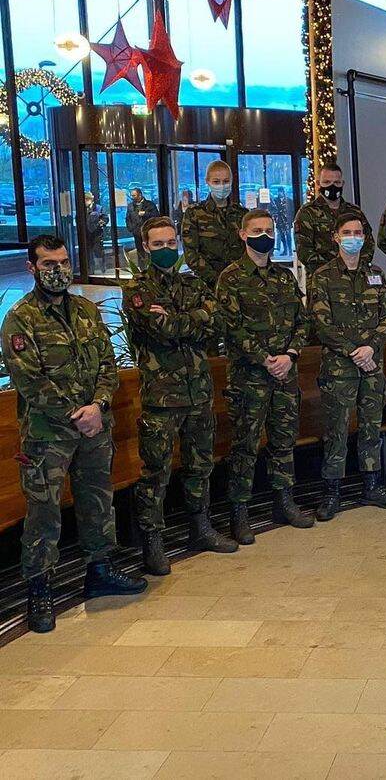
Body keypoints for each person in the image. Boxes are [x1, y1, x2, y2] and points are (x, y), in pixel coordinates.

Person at [2, 235, 147, 634]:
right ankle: (39, 589)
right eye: (49, 264)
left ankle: (99, 570)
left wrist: (98, 405)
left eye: (64, 262)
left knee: (97, 501)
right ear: (32, 268)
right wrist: (77, 414)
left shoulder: (85, 310)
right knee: (43, 513)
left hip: (94, 428)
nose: (59, 270)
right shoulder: (20, 319)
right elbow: (30, 381)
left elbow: (107, 365)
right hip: (47, 436)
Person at [122, 217, 238, 575]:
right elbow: (161, 329)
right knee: (156, 473)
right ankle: (153, 543)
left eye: (171, 243)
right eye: (158, 244)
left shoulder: (193, 282)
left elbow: (217, 323)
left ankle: (200, 528)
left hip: (198, 392)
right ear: (145, 247)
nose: (166, 249)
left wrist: (178, 319)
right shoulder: (137, 289)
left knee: (199, 466)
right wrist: (192, 318)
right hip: (162, 397)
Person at [216, 209, 313, 542]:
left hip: (285, 375)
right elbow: (231, 327)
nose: (265, 236)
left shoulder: (284, 277)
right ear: (243, 235)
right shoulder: (230, 278)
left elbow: (302, 322)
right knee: (244, 446)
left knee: (284, 442)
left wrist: (290, 355)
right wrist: (265, 359)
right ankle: (239, 512)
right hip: (249, 379)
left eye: (269, 230)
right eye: (257, 230)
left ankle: (283, 502)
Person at [307, 215, 386, 519]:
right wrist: (352, 351)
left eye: (358, 232)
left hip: (372, 365)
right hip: (339, 368)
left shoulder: (376, 273)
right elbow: (321, 322)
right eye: (346, 232)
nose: (353, 237)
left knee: (371, 427)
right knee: (336, 430)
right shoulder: (322, 276)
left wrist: (371, 347)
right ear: (336, 237)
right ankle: (332, 492)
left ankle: (372, 486)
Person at [294, 162, 373, 277]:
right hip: (322, 278)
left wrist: (357, 266)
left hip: (355, 275)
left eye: (337, 182)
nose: (333, 186)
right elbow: (304, 250)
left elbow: (368, 243)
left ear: (342, 183)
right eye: (327, 182)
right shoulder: (307, 212)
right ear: (318, 184)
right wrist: (332, 269)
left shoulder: (354, 211)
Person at [182, 161, 248, 290]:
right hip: (208, 285)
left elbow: (249, 249)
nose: (222, 186)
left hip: (239, 283)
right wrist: (217, 280)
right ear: (208, 182)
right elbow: (191, 254)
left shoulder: (242, 214)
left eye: (226, 181)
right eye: (216, 182)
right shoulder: (194, 213)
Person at [125, 187, 160, 267]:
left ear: (140, 195)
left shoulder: (150, 204)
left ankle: (152, 268)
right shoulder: (130, 206)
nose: (132, 197)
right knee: (140, 252)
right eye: (132, 195)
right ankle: (142, 269)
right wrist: (131, 228)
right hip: (137, 232)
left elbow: (156, 216)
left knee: (150, 250)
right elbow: (128, 218)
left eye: (134, 195)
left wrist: (145, 214)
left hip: (148, 232)